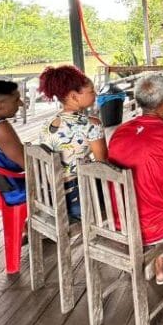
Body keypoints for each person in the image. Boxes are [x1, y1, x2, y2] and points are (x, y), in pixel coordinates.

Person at [108, 73, 163, 286]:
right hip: (154, 228)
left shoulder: (119, 133)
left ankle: (161, 268)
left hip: (122, 223)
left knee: (159, 198)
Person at [37, 65, 107, 219]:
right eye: (91, 91)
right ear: (74, 96)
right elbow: (103, 164)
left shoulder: (48, 123)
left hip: (51, 198)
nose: (95, 94)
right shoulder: (91, 124)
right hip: (78, 201)